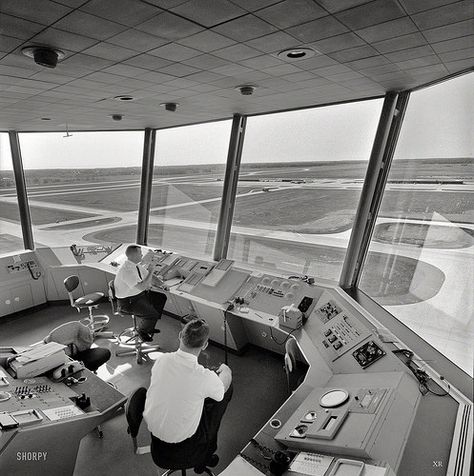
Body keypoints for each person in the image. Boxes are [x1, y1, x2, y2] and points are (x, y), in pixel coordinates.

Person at [143, 319, 233, 471]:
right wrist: (226, 371)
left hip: (157, 445)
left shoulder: (162, 360)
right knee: (224, 393)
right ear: (205, 345)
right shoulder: (203, 376)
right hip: (186, 450)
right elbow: (221, 391)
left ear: (180, 336)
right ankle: (205, 455)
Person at [114, 245, 167, 342]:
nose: (142, 255)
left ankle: (148, 326)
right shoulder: (127, 270)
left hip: (138, 296)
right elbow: (143, 286)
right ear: (133, 255)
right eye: (140, 253)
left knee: (161, 297)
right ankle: (141, 330)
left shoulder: (135, 266)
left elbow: (149, 276)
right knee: (152, 314)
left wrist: (162, 284)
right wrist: (151, 270)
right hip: (127, 303)